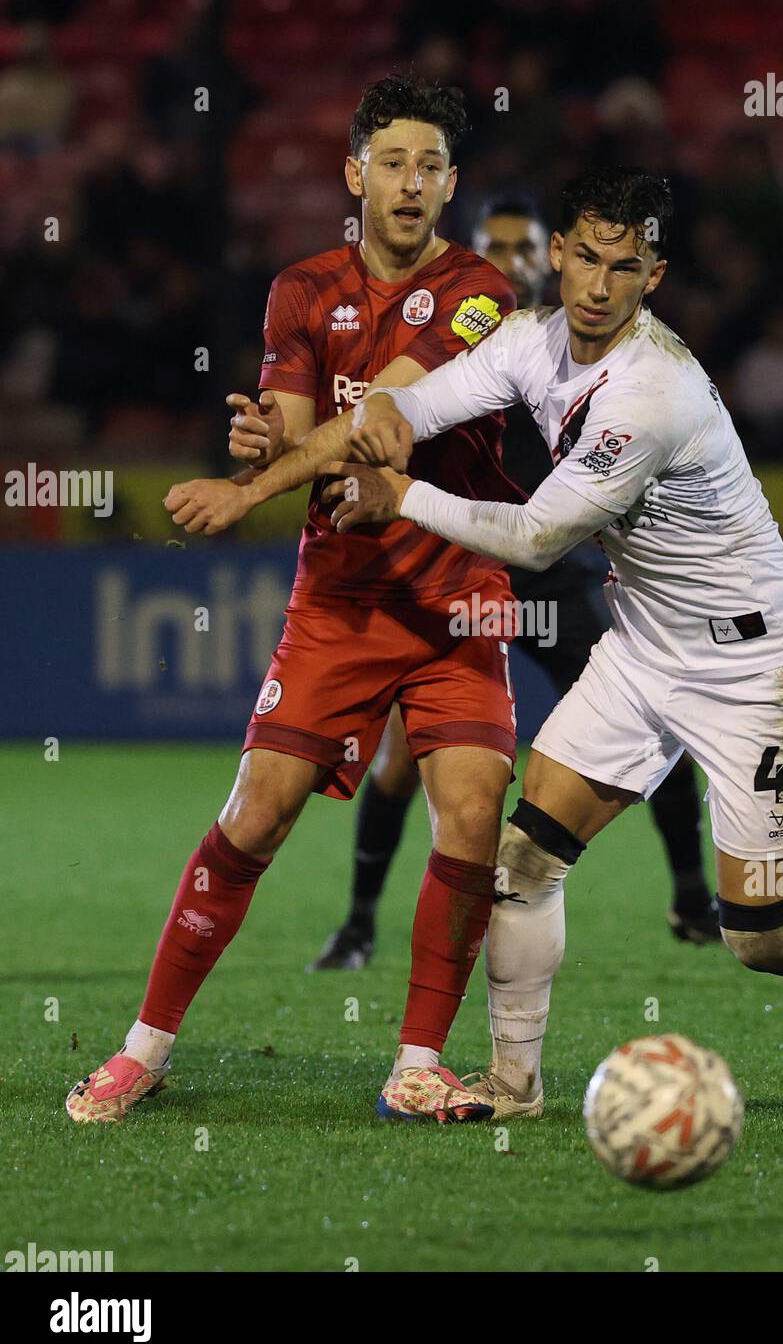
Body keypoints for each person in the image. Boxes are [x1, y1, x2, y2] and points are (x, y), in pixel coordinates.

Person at [321, 165, 783, 1120]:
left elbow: (535, 537)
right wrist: (302, 447)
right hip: (644, 650)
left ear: (655, 275)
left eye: (627, 266)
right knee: (520, 864)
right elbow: (412, 407)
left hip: (754, 664)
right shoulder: (527, 343)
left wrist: (398, 494)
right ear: (557, 255)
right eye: (588, 260)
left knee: (759, 933)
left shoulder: (653, 390)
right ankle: (515, 1085)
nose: (601, 286)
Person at [66, 74, 523, 1127]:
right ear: (353, 172)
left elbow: (382, 419)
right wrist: (269, 444)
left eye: (431, 167)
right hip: (345, 597)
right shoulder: (301, 289)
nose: (411, 183)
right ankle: (145, 1049)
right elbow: (302, 423)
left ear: (451, 186)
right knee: (255, 812)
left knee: (469, 809)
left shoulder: (481, 291)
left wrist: (246, 485)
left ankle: (417, 1061)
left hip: (457, 590)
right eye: (393, 162)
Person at [311, 193, 717, 973]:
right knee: (400, 759)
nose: (510, 259)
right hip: (458, 568)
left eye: (523, 246)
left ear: (549, 255)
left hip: (553, 575)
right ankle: (359, 926)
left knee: (659, 727)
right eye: (493, 244)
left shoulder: (580, 345)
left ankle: (692, 899)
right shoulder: (450, 343)